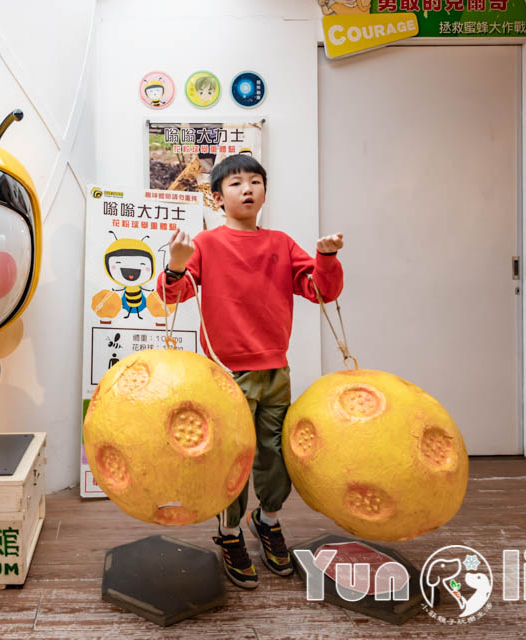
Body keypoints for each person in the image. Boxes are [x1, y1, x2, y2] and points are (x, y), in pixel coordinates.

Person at [156, 154, 344, 589]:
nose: (247, 189)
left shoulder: (281, 243)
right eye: (236, 182)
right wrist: (177, 263)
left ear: (264, 192)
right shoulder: (206, 243)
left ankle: (270, 520)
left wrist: (326, 256)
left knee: (276, 455)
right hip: (225, 375)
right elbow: (173, 295)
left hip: (276, 370)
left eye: (255, 181)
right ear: (217, 197)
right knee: (233, 460)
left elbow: (321, 290)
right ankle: (229, 532)